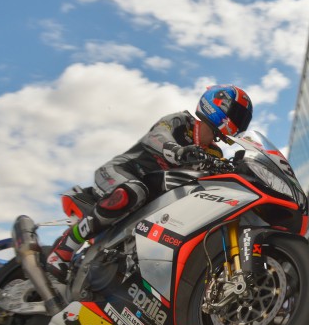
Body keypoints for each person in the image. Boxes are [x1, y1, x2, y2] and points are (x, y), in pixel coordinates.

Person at [46, 85, 253, 281]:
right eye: (237, 114)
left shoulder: (215, 153)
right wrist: (178, 150)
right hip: (121, 173)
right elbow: (157, 136)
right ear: (218, 105)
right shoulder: (181, 122)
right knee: (135, 191)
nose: (239, 121)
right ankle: (63, 249)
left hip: (151, 205)